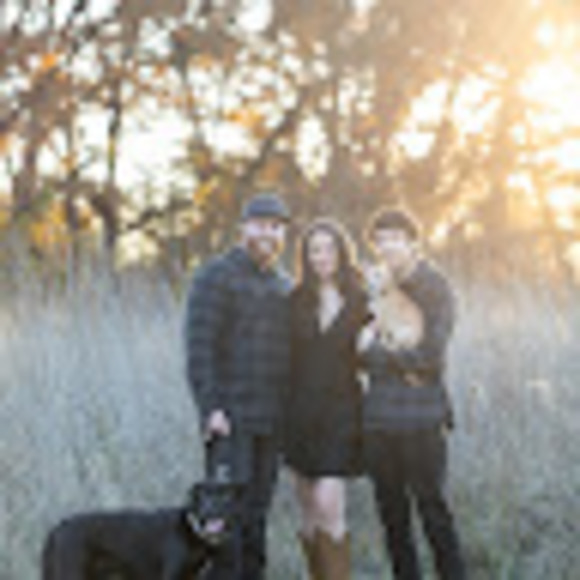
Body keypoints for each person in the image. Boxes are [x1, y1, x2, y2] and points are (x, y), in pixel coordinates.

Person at [184, 192, 292, 579]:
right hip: (230, 420)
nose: (269, 233)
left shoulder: (283, 284)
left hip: (271, 423)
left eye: (277, 227)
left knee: (257, 517)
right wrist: (210, 408)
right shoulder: (215, 276)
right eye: (261, 224)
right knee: (226, 520)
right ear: (243, 228)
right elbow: (200, 350)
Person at [359, 207, 467, 580]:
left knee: (434, 512)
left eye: (395, 238)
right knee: (393, 519)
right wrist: (380, 355)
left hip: (423, 418)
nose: (387, 246)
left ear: (412, 242)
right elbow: (356, 352)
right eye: (380, 240)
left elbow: (431, 355)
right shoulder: (373, 286)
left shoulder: (436, 287)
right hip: (379, 421)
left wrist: (378, 355)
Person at [284, 218, 369, 580]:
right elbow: (283, 359)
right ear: (305, 257)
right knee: (308, 514)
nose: (322, 256)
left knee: (328, 504)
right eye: (314, 250)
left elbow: (379, 347)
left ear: (342, 253)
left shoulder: (361, 300)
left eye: (329, 248)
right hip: (299, 414)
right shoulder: (294, 301)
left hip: (342, 414)